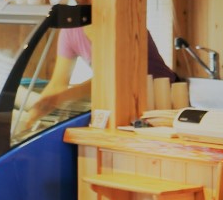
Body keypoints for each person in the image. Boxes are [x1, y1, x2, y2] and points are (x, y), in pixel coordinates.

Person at [17, 19, 175, 135]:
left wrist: (62, 97)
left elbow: (114, 76)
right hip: (126, 103)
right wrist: (32, 115)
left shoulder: (124, 22)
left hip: (165, 98)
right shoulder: (71, 30)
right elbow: (58, 84)